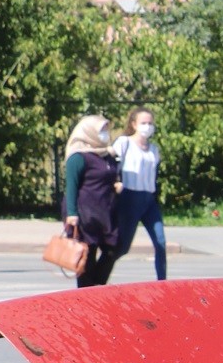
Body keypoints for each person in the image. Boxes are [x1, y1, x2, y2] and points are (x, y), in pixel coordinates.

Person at [60, 115, 121, 287]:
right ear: (89, 132)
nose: (105, 134)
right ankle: (86, 293)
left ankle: (96, 286)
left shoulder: (107, 154)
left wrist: (117, 184)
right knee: (87, 254)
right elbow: (71, 186)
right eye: (101, 130)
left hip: (105, 210)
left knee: (112, 249)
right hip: (85, 212)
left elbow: (109, 176)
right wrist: (72, 213)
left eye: (106, 130)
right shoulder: (78, 157)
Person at [109, 108, 168, 281]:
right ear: (134, 124)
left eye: (150, 123)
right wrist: (115, 182)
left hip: (148, 201)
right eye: (143, 123)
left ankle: (162, 282)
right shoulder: (124, 143)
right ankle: (100, 273)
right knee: (123, 246)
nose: (147, 127)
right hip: (129, 198)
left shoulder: (154, 150)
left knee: (160, 242)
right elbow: (109, 164)